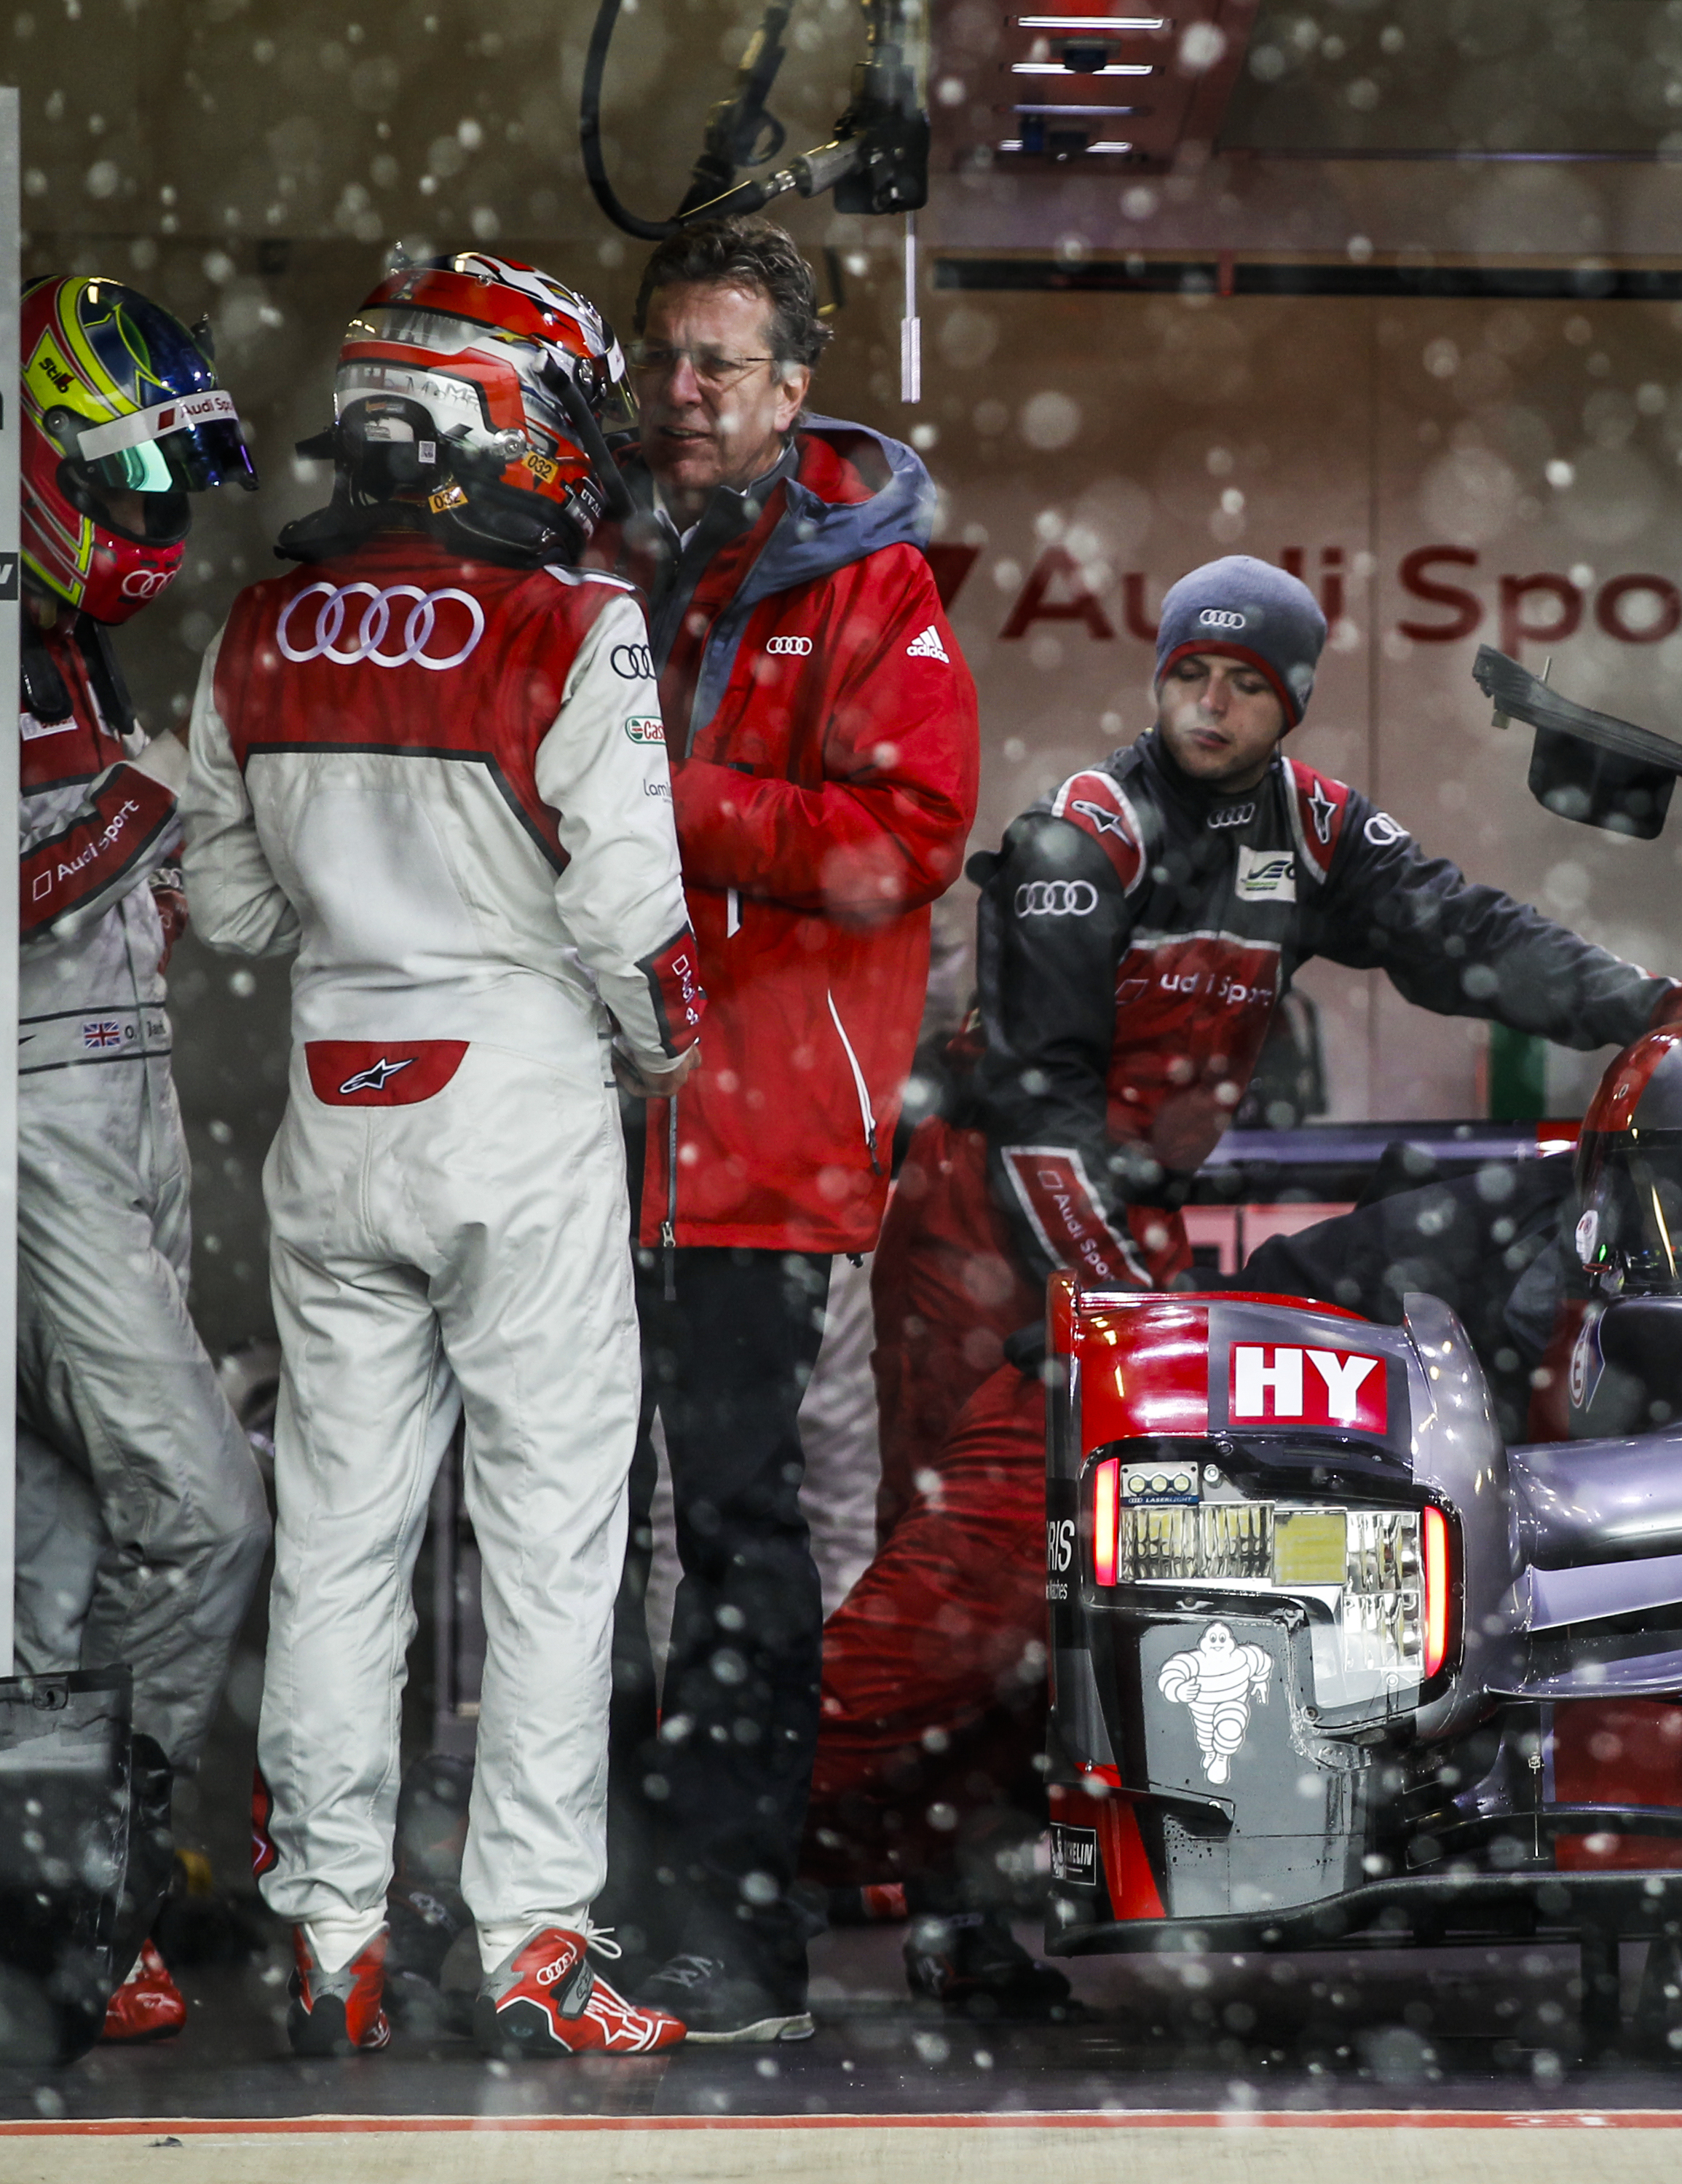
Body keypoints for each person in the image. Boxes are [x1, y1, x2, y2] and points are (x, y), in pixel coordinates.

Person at [805, 555, 1682, 2011]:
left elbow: (1470, 939)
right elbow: (1042, 1117)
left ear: (1292, 703)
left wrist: (1656, 1014)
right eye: (1192, 674)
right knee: (974, 1591)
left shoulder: (1314, 832)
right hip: (981, 1232)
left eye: (1246, 685)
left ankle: (978, 1914)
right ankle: (759, 1848)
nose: (1212, 704)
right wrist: (1121, 1319)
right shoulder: (1082, 840)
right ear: (1160, 676)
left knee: (1088, 1585)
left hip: (1124, 1231)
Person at [182, 253, 699, 2059]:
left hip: (338, 1103)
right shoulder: (579, 620)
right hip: (524, 1103)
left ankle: (328, 1933)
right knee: (549, 1543)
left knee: (338, 1538)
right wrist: (668, 1057)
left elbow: (229, 904)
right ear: (498, 415)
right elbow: (637, 925)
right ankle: (534, 1944)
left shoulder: (265, 624)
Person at [593, 214, 978, 2043]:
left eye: (716, 364)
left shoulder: (872, 587)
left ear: (795, 386)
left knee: (732, 1534)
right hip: (581, 1127)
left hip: (756, 1138)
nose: (678, 392)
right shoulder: (610, 551)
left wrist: (662, 808)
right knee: (583, 1524)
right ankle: (572, 1908)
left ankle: (728, 1941)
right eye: (661, 357)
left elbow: (903, 835)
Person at [12, 272, 270, 2044]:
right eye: (127, 487)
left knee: (61, 1533)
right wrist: (152, 804)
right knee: (208, 1506)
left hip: (123, 1094)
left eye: (169, 493)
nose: (152, 526)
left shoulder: (63, 635)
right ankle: (102, 1847)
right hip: (35, 1120)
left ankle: (60, 1904)